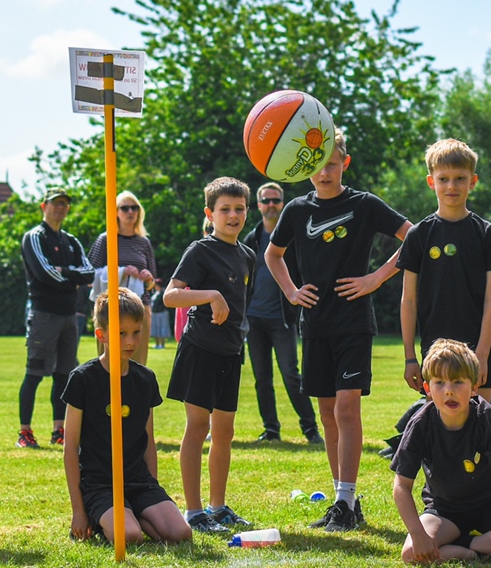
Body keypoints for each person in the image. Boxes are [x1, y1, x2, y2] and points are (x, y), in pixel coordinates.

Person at [266, 128, 411, 532]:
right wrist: (292, 291)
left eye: (332, 164)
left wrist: (375, 278)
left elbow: (414, 235)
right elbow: (273, 255)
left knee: (347, 407)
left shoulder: (363, 204)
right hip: (315, 324)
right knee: (327, 412)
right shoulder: (296, 210)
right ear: (306, 168)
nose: (324, 172)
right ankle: (343, 501)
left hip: (353, 322)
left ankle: (346, 501)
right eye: (317, 165)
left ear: (344, 163)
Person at [392, 338, 491, 568]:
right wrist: (418, 534)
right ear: (427, 389)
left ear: (474, 387)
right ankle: (475, 550)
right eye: (439, 382)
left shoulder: (487, 418)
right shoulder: (421, 424)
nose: (449, 391)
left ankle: (468, 545)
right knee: (411, 553)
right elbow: (401, 486)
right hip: (445, 510)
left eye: (458, 382)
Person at [63, 289, 192, 546]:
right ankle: (109, 518)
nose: (130, 341)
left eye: (136, 332)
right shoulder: (82, 379)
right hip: (100, 485)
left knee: (181, 534)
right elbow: (70, 447)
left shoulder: (145, 379)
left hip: (138, 481)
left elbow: (148, 441)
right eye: (121, 334)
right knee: (129, 536)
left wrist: (153, 488)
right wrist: (78, 511)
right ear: (101, 335)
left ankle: (135, 512)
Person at [164, 177, 256, 533]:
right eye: (225, 209)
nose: (233, 216)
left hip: (231, 352)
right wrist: (211, 295)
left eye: (239, 209)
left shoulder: (247, 255)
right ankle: (194, 512)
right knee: (198, 427)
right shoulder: (200, 250)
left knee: (224, 432)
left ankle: (218, 507)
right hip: (200, 349)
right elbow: (170, 296)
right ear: (210, 213)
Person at [400, 138, 491, 404]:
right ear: (431, 182)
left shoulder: (487, 234)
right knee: (439, 423)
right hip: (434, 352)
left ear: (473, 181)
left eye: (460, 178)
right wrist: (410, 357)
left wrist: (482, 354)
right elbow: (409, 300)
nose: (452, 186)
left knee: (479, 420)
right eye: (444, 179)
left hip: (478, 351)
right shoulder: (419, 235)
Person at [244, 180, 321, 445]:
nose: (271, 205)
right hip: (254, 319)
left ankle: (310, 429)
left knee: (290, 373)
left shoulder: (293, 237)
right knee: (262, 378)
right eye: (266, 200)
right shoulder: (252, 239)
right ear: (258, 205)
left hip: (283, 319)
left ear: (282, 203)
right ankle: (271, 430)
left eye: (275, 200)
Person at [19, 189, 96, 448]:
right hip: (43, 314)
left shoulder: (71, 241)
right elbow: (44, 273)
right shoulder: (34, 237)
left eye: (64, 204)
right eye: (56, 203)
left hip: (69, 316)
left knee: (64, 374)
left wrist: (65, 272)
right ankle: (25, 432)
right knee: (34, 373)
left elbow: (89, 273)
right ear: (44, 206)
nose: (60, 208)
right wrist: (71, 279)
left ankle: (58, 430)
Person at [88, 190, 158, 365]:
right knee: (109, 364)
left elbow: (152, 283)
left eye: (134, 208)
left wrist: (148, 279)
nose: (130, 212)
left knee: (137, 364)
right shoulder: (105, 239)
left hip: (139, 308)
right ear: (116, 212)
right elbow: (89, 274)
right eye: (124, 208)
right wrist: (121, 271)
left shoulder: (144, 242)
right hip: (110, 309)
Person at [149, 282, 170, 348]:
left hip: (162, 312)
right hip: (155, 313)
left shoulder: (164, 293)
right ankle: (157, 344)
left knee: (162, 327)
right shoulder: (155, 293)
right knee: (156, 328)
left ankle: (162, 344)